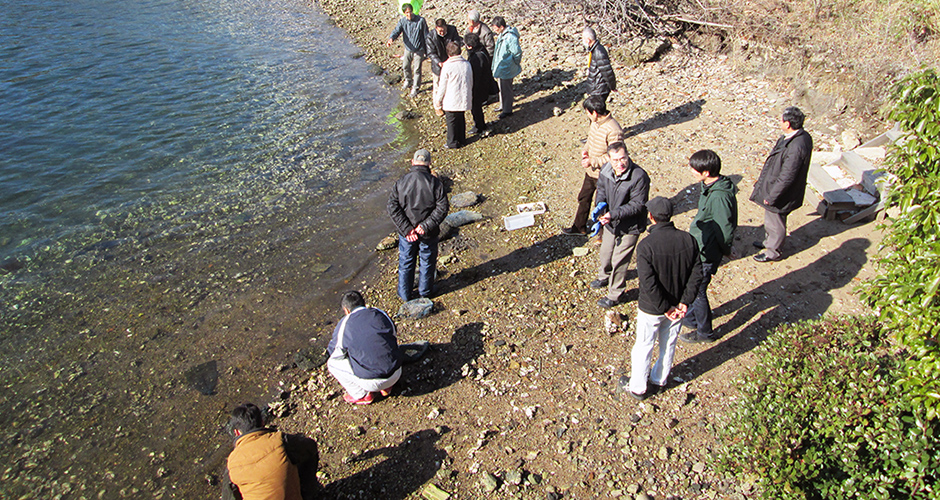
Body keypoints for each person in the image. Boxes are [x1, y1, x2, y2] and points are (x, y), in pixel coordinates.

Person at [623, 197, 702, 400]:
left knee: (644, 345)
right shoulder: (688, 240)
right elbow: (696, 274)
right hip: (678, 305)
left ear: (651, 217)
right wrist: (684, 302)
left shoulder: (646, 246)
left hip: (652, 308)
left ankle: (638, 387)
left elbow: (648, 283)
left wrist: (664, 307)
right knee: (669, 343)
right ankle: (659, 380)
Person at [680, 150, 738, 344]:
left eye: (694, 169)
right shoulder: (711, 186)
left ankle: (704, 332)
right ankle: (691, 318)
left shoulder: (719, 197)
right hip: (701, 246)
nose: (691, 172)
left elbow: (725, 228)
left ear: (706, 172)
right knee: (694, 287)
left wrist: (726, 250)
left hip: (706, 252)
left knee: (698, 291)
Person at [750, 106, 813, 262]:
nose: (779, 122)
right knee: (771, 218)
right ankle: (769, 242)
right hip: (776, 185)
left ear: (788, 124)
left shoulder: (795, 146)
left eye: (781, 120)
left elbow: (787, 176)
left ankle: (773, 251)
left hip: (781, 191)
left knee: (776, 220)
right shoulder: (799, 137)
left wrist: (772, 196)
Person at [592, 142, 650, 309]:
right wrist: (600, 206)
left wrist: (612, 214)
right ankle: (604, 276)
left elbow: (638, 205)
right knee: (605, 252)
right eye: (616, 160)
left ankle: (615, 294)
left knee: (620, 260)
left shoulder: (639, 176)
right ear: (609, 159)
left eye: (623, 158)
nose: (620, 163)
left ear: (628, 155)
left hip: (630, 226)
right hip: (610, 222)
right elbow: (601, 189)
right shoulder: (605, 170)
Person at [223, 403, 320, 500]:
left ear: (237, 432)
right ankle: (308, 494)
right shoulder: (280, 441)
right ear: (262, 422)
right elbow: (310, 446)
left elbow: (227, 497)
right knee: (297, 453)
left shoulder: (232, 463)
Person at [387, 148, 449, 301]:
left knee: (406, 262)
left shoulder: (401, 182)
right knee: (427, 261)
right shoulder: (435, 183)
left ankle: (404, 295)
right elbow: (442, 208)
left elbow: (392, 207)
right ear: (429, 164)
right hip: (428, 233)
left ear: (413, 162)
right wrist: (425, 226)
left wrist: (407, 230)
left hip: (407, 234)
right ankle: (425, 292)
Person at [326, 291, 403, 405]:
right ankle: (387, 387)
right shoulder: (380, 313)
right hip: (396, 372)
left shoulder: (345, 324)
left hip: (371, 381)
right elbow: (393, 335)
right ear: (364, 303)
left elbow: (332, 351)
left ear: (346, 310)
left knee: (332, 363)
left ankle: (361, 394)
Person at [562, 95, 624, 235]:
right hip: (591, 172)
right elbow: (591, 139)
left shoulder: (614, 130)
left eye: (587, 112)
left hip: (605, 174)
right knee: (584, 197)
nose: (587, 115)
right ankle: (579, 227)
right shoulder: (595, 123)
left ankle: (602, 234)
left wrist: (593, 161)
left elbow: (615, 156)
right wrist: (585, 151)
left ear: (594, 113)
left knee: (601, 204)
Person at [433, 41, 472, 149]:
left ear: (448, 54)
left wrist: (438, 100)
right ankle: (462, 140)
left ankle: (452, 142)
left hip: (451, 99)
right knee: (460, 118)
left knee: (451, 121)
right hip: (463, 97)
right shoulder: (466, 64)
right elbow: (470, 80)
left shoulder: (447, 66)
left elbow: (442, 86)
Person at [387, 3, 428, 98]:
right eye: (406, 13)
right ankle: (408, 80)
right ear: (404, 13)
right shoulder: (402, 21)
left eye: (410, 12)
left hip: (419, 49)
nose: (409, 15)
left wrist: (427, 51)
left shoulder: (421, 21)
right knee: (405, 65)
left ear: (412, 11)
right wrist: (391, 39)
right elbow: (396, 31)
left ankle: (416, 87)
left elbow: (426, 35)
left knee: (417, 69)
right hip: (408, 48)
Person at [464, 32, 496, 136]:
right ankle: (480, 125)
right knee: (477, 107)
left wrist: (471, 89)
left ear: (470, 46)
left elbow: (476, 76)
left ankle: (479, 126)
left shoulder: (476, 58)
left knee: (476, 107)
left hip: (479, 87)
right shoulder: (482, 50)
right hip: (485, 83)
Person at [490, 16, 522, 119]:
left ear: (501, 27)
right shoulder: (502, 35)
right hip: (502, 67)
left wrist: (514, 63)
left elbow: (517, 53)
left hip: (507, 68)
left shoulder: (510, 37)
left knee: (506, 90)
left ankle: (507, 110)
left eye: (495, 28)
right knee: (502, 88)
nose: (494, 30)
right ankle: (503, 106)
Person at [426, 18, 461, 95]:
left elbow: (457, 43)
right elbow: (431, 53)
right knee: (437, 86)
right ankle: (437, 104)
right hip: (438, 64)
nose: (442, 33)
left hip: (451, 61)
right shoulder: (430, 36)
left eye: (444, 30)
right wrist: (439, 62)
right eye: (440, 31)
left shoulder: (452, 30)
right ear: (436, 28)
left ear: (446, 27)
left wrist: (452, 57)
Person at [582, 27, 616, 103]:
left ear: (588, 40)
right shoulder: (594, 50)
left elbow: (607, 71)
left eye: (583, 38)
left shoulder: (598, 52)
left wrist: (612, 86)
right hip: (597, 88)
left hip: (599, 89)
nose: (583, 41)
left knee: (599, 111)